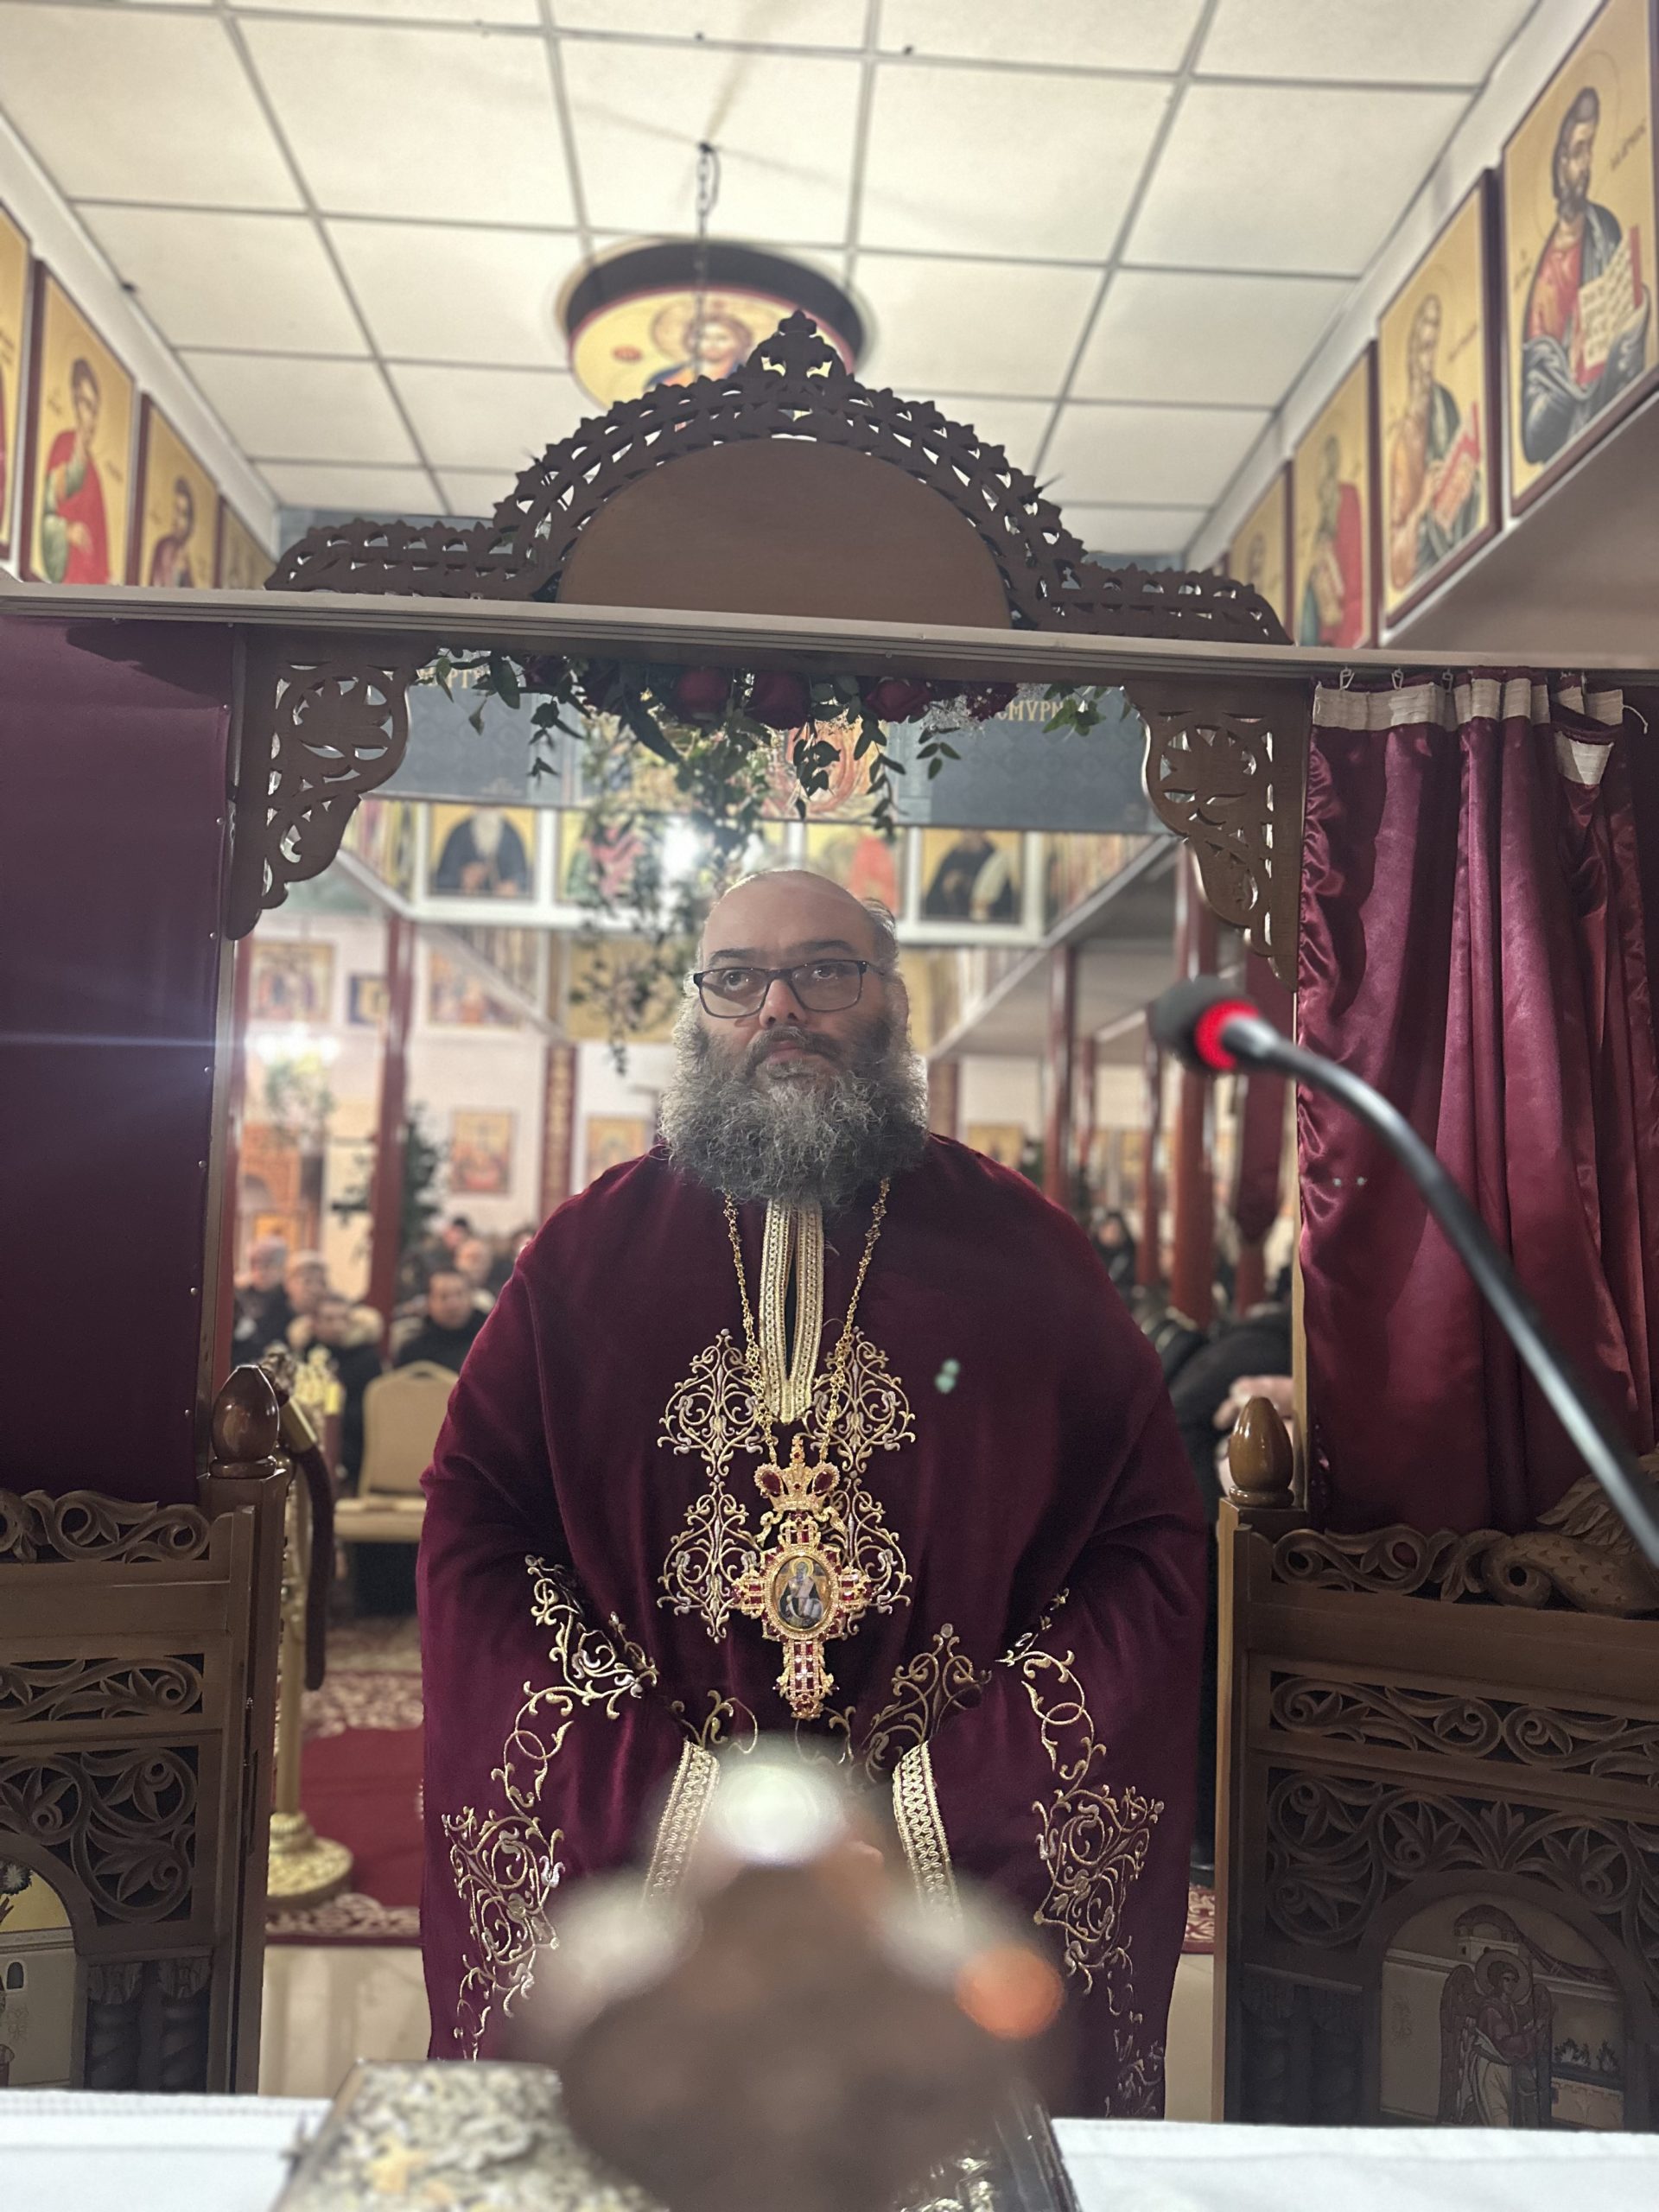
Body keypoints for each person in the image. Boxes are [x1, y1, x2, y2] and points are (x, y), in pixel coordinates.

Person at [419, 870, 1205, 2113]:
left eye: (826, 970)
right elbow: (478, 1521)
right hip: (654, 1817)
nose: (779, 1007)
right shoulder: (587, 1256)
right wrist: (649, 1790)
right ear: (701, 1011)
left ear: (893, 998)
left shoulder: (1027, 1256)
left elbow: (1143, 1540)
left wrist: (952, 1798)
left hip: (949, 1853)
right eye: (738, 978)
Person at [1522, 86, 1652, 468]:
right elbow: (1533, 436)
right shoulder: (1545, 283)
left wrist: (1635, 314)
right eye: (1579, 152)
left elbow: (1628, 357)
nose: (1586, 164)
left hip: (1624, 437)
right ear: (1560, 161)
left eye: (1590, 149)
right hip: (1581, 465)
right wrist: (1572, 377)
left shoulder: (1604, 228)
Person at [1387, 293, 1483, 594]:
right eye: (1424, 349)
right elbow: (1397, 565)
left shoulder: (1445, 403)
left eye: (1434, 346)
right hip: (1425, 572)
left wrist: (1466, 481)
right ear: (1412, 355)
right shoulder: (1404, 442)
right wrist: (1423, 501)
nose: (1428, 362)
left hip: (1452, 547)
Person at [40, 357, 110, 585]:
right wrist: (68, 531)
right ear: (75, 402)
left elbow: (101, 544)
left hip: (87, 586)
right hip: (66, 573)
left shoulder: (95, 473)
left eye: (94, 409)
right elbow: (51, 507)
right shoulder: (63, 446)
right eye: (85, 404)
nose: (91, 417)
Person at [308, 1291, 385, 1487]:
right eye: (329, 1319)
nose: (337, 1326)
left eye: (343, 1319)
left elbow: (371, 1412)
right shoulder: (306, 1354)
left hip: (352, 1445)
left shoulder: (367, 1358)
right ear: (315, 1324)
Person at [1295, 435, 1363, 648]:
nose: (1320, 486)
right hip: (1329, 611)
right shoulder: (1324, 516)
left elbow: (1354, 562)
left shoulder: (1347, 497)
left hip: (1345, 604)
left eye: (1324, 475)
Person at [397, 1270, 487, 1373]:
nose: (453, 1305)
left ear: (471, 1297)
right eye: (444, 1297)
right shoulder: (413, 1353)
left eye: (459, 1295)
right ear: (429, 1302)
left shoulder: (490, 1342)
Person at [922, 830, 1016, 924]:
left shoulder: (994, 861)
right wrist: (945, 890)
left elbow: (1006, 906)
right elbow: (931, 904)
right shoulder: (951, 859)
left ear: (982, 834)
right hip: (952, 924)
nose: (967, 836)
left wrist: (968, 884)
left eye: (972, 831)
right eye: (964, 831)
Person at [433, 808, 530, 898]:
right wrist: (461, 880)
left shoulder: (511, 836)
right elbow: (441, 882)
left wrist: (514, 886)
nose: (488, 810)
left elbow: (524, 880)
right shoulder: (459, 834)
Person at [232, 1236, 293, 1361]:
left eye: (268, 1265)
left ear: (282, 1267)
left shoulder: (290, 1297)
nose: (260, 1271)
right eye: (254, 1265)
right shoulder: (241, 1292)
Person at [146, 476, 199, 588]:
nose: (178, 519)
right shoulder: (166, 547)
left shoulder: (184, 556)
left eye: (183, 514)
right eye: (176, 510)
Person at [1091, 1206, 1137, 1294]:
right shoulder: (1090, 1254)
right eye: (1108, 1228)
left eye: (1116, 1229)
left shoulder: (1128, 1255)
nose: (1112, 1233)